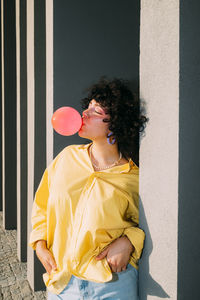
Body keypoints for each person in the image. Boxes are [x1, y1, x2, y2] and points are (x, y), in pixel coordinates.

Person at [28, 76, 148, 299]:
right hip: (62, 283)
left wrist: (129, 240)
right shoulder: (66, 158)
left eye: (97, 111)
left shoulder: (133, 177)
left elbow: (143, 223)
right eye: (88, 107)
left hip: (112, 283)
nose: (84, 113)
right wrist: (39, 244)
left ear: (116, 124)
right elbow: (42, 205)